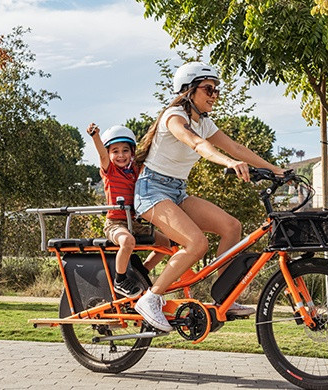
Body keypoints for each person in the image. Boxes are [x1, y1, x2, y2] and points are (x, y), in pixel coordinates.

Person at [133, 62, 286, 332]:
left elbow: (237, 147)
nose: (214, 95)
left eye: (216, 90)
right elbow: (196, 144)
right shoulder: (173, 117)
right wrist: (226, 162)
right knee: (196, 243)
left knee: (231, 226)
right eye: (208, 89)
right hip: (151, 190)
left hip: (177, 191)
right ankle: (151, 297)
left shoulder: (204, 122)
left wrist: (276, 169)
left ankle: (224, 296)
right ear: (189, 90)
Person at [87, 123, 170, 297]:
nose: (120, 155)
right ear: (109, 154)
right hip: (115, 223)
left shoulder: (135, 171)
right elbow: (102, 155)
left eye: (125, 150)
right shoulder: (110, 171)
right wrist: (95, 137)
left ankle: (141, 272)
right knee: (127, 241)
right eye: (115, 151)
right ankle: (120, 280)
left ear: (132, 152)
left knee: (166, 243)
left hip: (135, 222)